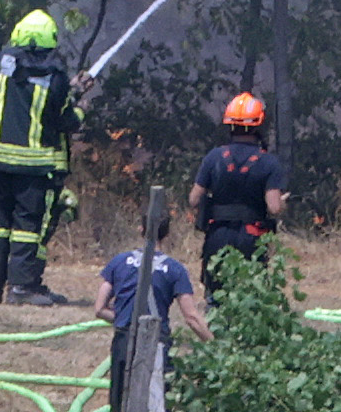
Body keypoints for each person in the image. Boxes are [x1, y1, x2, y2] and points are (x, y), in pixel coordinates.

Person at [0, 10, 83, 307]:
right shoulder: (55, 77)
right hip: (33, 166)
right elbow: (64, 121)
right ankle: (22, 287)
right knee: (27, 226)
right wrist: (81, 107)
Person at [186, 92, 291, 290]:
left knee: (216, 294)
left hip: (217, 237)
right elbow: (274, 208)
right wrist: (282, 202)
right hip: (251, 238)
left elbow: (193, 199)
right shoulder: (268, 161)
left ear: (230, 124)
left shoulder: (214, 157)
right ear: (258, 124)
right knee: (250, 294)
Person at [97, 233, 207, 400]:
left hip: (123, 341)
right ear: (167, 234)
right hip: (156, 343)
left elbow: (99, 309)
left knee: (120, 401)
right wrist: (215, 344)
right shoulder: (175, 269)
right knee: (156, 401)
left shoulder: (119, 262)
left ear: (141, 229)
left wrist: (125, 319)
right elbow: (191, 317)